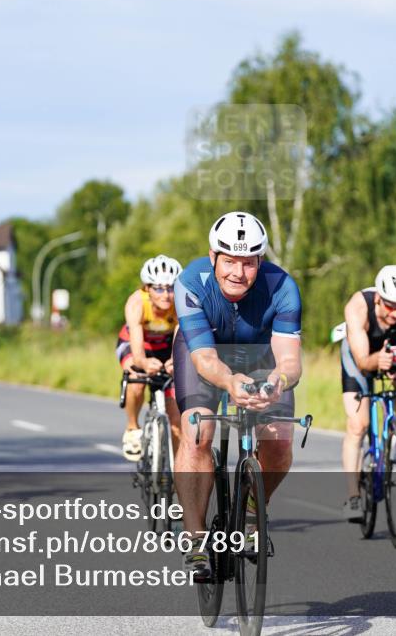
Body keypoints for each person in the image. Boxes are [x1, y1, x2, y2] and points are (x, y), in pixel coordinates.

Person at [173, 211, 302, 580]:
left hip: (262, 358)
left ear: (260, 261)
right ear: (213, 256)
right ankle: (195, 540)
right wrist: (230, 382)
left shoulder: (282, 287)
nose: (238, 272)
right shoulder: (191, 282)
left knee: (278, 441)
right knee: (197, 432)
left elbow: (290, 360)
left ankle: (251, 512)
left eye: (248, 263)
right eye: (229, 260)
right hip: (206, 353)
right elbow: (204, 358)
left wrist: (278, 381)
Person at [339, 265, 396, 522]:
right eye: (390, 306)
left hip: (392, 350)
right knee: (358, 425)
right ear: (378, 297)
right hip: (360, 355)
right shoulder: (358, 306)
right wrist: (379, 361)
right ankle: (354, 497)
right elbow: (364, 361)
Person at [116, 255, 183, 460]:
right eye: (159, 288)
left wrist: (175, 361)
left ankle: (178, 469)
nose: (166, 295)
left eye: (171, 288)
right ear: (147, 288)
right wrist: (143, 362)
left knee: (176, 417)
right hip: (136, 344)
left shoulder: (181, 302)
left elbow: (181, 336)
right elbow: (137, 353)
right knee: (136, 381)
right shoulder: (136, 303)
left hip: (166, 345)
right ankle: (132, 428)